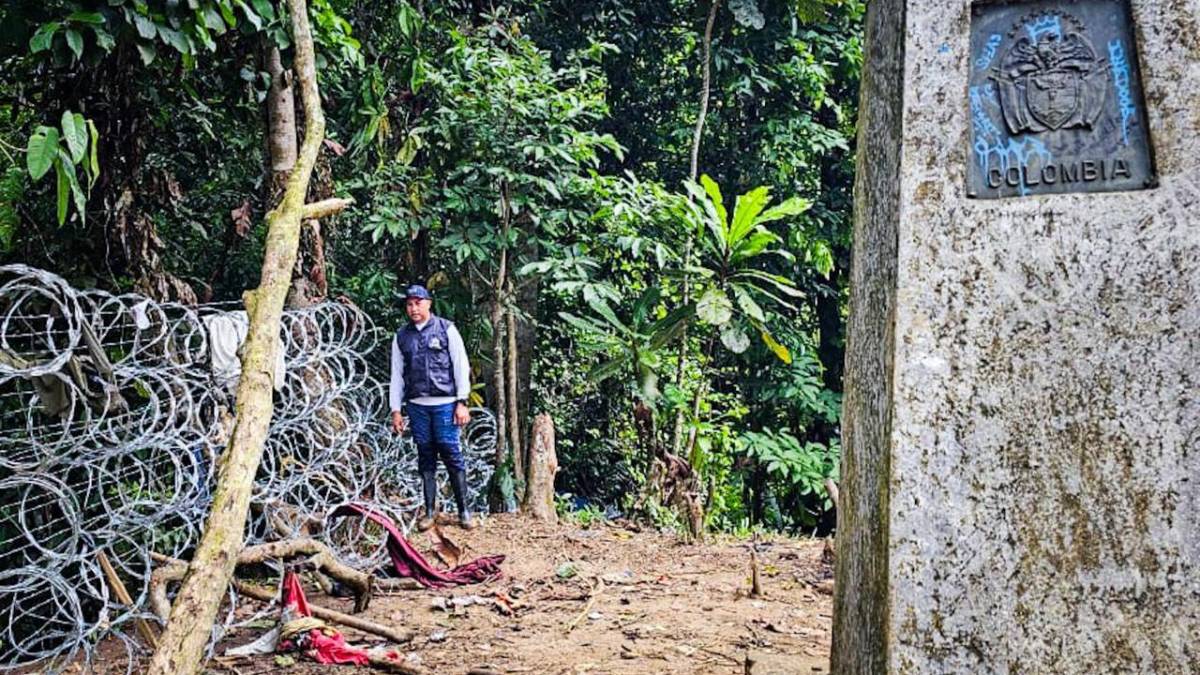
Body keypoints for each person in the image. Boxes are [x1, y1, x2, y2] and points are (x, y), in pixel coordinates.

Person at [389, 284, 476, 530]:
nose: (414, 309)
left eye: (418, 303)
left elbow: (460, 365)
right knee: (425, 455)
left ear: (429, 303)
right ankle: (429, 511)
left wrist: (462, 401)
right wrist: (396, 409)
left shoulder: (446, 329)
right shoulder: (401, 336)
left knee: (451, 453)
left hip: (445, 403)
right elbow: (397, 374)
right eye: (409, 304)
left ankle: (464, 511)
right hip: (417, 405)